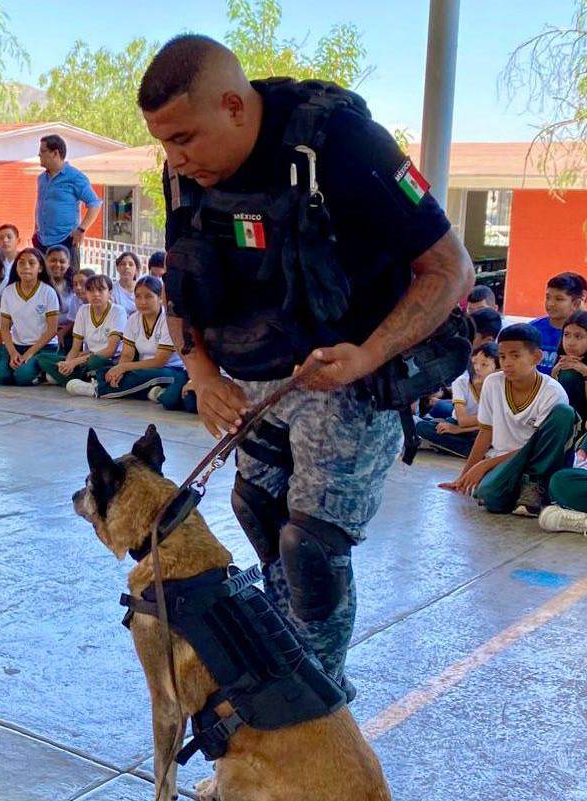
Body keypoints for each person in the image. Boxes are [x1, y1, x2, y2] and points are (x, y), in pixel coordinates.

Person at [140, 35, 474, 693]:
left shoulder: (343, 145)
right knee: (258, 510)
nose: (174, 157)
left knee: (311, 550)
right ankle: (283, 668)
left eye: (184, 138)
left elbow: (450, 268)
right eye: (163, 142)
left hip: (351, 375)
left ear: (234, 106)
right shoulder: (186, 173)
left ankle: (315, 704)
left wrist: (367, 354)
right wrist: (201, 375)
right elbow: (182, 284)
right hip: (256, 378)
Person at [440, 324, 574, 516]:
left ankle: (534, 487)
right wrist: (464, 476)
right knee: (488, 495)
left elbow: (538, 447)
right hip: (505, 461)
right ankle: (519, 491)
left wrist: (484, 465)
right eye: (502, 357)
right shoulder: (493, 383)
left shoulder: (552, 392)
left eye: (515, 356)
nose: (507, 363)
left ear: (536, 357)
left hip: (539, 463)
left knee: (564, 412)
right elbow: (486, 432)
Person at [70, 276, 188, 407]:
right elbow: (127, 354)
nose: (142, 302)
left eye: (148, 296)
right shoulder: (133, 319)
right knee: (114, 371)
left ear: (160, 298)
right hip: (141, 367)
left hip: (169, 369)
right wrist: (118, 371)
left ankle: (97, 389)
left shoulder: (168, 320)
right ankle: (149, 392)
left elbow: (159, 361)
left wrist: (123, 367)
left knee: (143, 376)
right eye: (138, 297)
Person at [40, 273, 127, 391]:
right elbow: (75, 348)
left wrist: (75, 362)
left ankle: (75, 379)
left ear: (110, 292)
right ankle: (81, 379)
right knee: (42, 358)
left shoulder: (118, 311)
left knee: (95, 361)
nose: (96, 294)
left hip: (107, 361)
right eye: (91, 290)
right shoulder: (83, 310)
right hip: (85, 359)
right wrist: (67, 364)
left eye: (101, 290)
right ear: (86, 293)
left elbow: (110, 351)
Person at [416, 342, 500, 458]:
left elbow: (498, 423)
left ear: (497, 369)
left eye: (484, 364)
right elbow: (463, 421)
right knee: (422, 427)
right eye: (475, 362)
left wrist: (458, 430)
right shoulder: (462, 381)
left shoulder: (500, 385)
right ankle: (473, 450)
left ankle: (451, 446)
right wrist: (457, 427)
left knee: (496, 434)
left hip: (482, 429)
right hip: (459, 422)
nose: (477, 368)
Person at [0, 247, 60, 386]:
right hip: (17, 346)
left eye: (31, 263)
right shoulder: (8, 291)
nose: (26, 267)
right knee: (1, 377)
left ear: (40, 268)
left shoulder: (48, 292)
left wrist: (29, 353)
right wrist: (13, 353)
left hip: (42, 347)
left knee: (21, 377)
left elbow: (52, 330)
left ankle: (43, 373)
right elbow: (4, 328)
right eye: (21, 263)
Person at [34, 134, 102, 267]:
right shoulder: (42, 178)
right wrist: (36, 229)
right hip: (42, 242)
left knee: (68, 279)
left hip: (65, 242)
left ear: (55, 153)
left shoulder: (75, 177)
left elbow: (94, 204)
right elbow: (40, 204)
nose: (39, 155)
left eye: (43, 151)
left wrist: (81, 229)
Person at [530, 272, 586, 374]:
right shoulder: (531, 329)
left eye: (559, 299)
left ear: (576, 304)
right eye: (548, 297)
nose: (550, 303)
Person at [552, 309, 587, 421]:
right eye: (566, 335)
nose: (570, 342)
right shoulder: (562, 363)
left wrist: (585, 373)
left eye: (578, 336)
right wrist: (554, 374)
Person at [45, 244, 79, 351]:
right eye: (53, 260)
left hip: (69, 332)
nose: (57, 264)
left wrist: (65, 330)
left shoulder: (75, 284)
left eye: (62, 261)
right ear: (45, 262)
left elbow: (80, 312)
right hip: (43, 332)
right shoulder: (39, 285)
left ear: (68, 264)